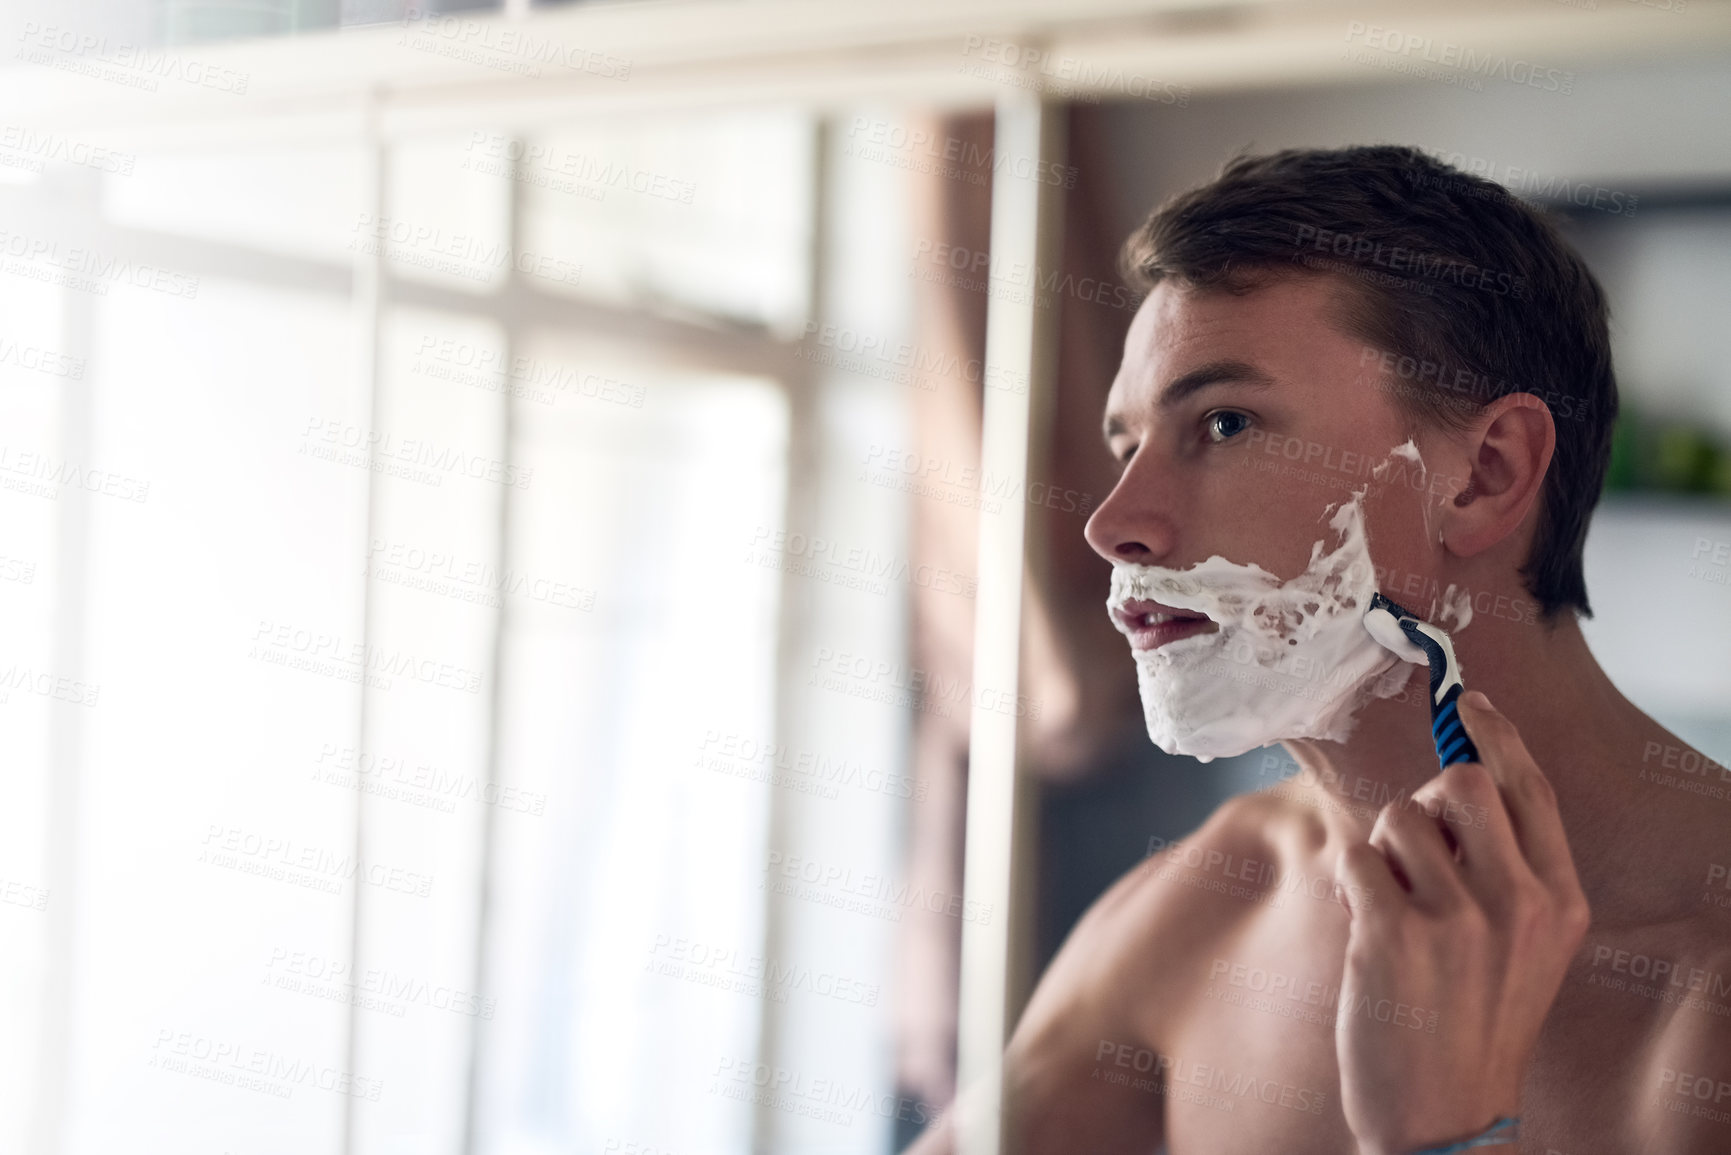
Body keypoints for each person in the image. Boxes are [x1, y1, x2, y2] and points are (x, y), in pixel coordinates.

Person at [908, 145, 1731, 1154]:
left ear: (1482, 474)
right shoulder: (1204, 911)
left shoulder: (1705, 977)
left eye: (1223, 421)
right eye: (1128, 446)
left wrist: (1449, 1137)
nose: (1113, 525)